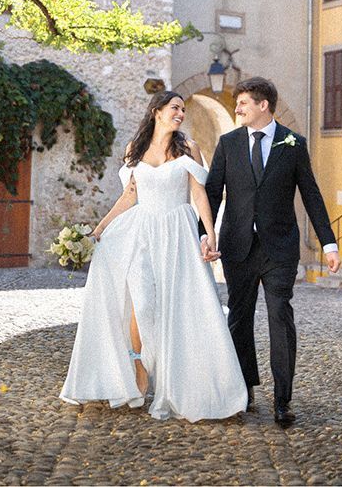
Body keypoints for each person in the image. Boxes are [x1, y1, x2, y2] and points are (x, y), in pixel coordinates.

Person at [61, 90, 248, 422]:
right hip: (142, 233)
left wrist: (209, 234)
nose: (180, 113)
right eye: (174, 108)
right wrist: (100, 229)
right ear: (157, 112)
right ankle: (140, 369)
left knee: (180, 307)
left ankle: (178, 385)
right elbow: (129, 197)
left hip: (178, 233)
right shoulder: (135, 150)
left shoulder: (189, 148)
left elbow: (198, 194)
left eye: (181, 109)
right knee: (144, 305)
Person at [200, 77, 340, 427]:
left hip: (279, 248)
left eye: (244, 102)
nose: (238, 108)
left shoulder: (293, 144)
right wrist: (204, 234)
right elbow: (212, 192)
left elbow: (310, 195)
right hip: (238, 246)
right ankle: (243, 389)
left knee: (280, 316)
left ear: (264, 105)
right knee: (239, 319)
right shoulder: (229, 143)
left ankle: (283, 400)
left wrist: (329, 243)